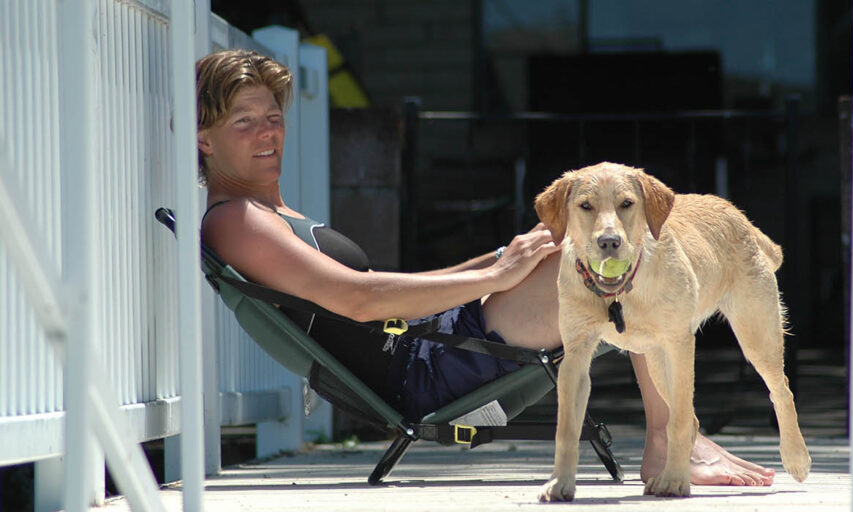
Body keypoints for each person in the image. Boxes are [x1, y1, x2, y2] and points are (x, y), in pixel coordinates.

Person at [195, 49, 775, 486]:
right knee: (620, 255)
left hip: (438, 342)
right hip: (426, 374)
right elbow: (360, 301)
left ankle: (676, 434)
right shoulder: (236, 220)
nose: (268, 132)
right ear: (205, 139)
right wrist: (493, 279)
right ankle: (669, 439)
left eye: (271, 116)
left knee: (582, 246)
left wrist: (497, 261)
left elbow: (385, 291)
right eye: (243, 122)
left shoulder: (268, 210)